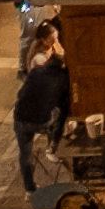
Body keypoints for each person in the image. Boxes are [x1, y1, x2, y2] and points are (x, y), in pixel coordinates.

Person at [14, 38, 72, 195]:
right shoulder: (62, 79)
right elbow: (63, 107)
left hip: (20, 118)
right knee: (59, 116)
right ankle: (52, 147)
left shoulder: (36, 72)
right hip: (41, 121)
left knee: (25, 154)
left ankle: (29, 189)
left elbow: (21, 93)